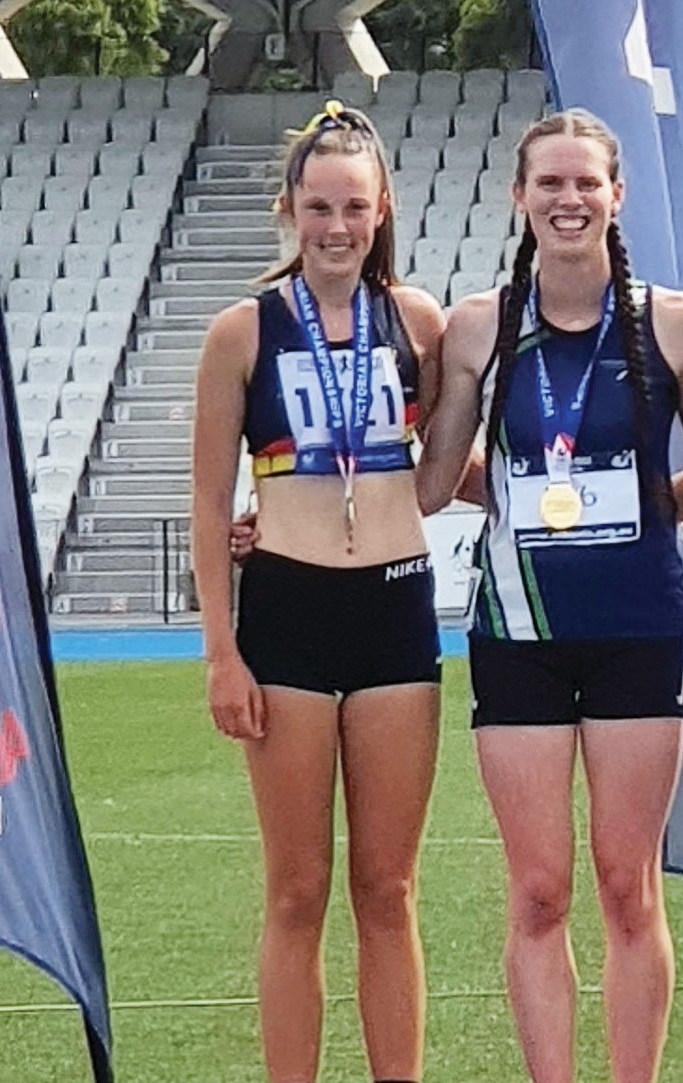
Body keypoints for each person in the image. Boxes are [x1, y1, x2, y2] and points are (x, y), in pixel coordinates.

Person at [415, 108, 683, 1083]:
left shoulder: (673, 323)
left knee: (627, 889)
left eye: (584, 182)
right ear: (519, 197)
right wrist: (512, 498)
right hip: (518, 634)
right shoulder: (480, 327)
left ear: (615, 195)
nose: (567, 199)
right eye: (548, 183)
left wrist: (638, 509)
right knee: (540, 891)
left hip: (636, 629)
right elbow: (432, 483)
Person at [190, 101, 445, 1083]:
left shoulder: (416, 321)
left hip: (394, 609)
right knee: (296, 894)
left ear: (380, 211)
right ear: (289, 209)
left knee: (389, 891)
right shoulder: (241, 333)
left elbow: (453, 462)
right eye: (317, 207)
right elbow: (211, 504)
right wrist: (221, 652)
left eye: (354, 208)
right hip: (287, 617)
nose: (336, 228)